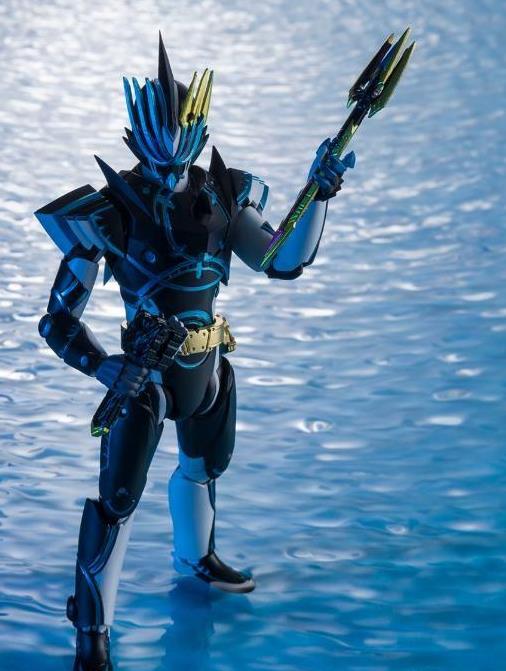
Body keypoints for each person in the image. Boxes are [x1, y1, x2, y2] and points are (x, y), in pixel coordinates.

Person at [35, 34, 354, 671]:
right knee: (117, 502)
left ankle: (195, 557)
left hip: (208, 368)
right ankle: (93, 628)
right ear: (139, 140)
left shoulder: (224, 196)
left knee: (204, 469)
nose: (169, 173)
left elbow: (281, 259)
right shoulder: (109, 212)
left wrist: (318, 194)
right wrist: (103, 364)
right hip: (144, 378)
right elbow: (58, 320)